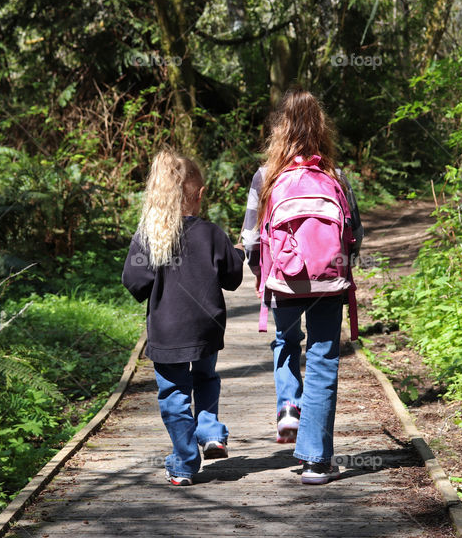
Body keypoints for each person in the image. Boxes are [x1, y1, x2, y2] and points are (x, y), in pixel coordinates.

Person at [239, 90, 363, 485]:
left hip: (284, 281)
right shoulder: (336, 177)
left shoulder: (266, 177)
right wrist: (337, 268)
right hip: (329, 283)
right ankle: (314, 461)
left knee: (286, 343)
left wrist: (263, 274)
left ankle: (289, 405)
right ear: (322, 130)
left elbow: (251, 239)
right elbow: (355, 234)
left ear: (280, 130)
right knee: (324, 360)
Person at [122, 148, 244, 486]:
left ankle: (185, 463)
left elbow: (134, 282)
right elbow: (233, 279)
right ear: (200, 194)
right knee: (205, 379)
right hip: (207, 327)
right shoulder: (213, 233)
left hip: (168, 330)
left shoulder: (149, 236)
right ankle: (210, 432)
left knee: (174, 393)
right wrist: (235, 253)